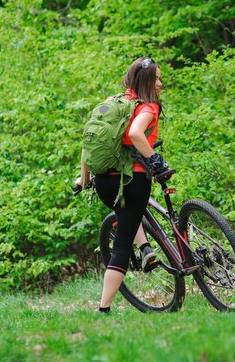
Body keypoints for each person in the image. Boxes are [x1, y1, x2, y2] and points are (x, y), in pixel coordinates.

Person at [75, 57, 170, 314]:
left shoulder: (114, 103)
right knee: (121, 244)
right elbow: (135, 134)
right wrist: (155, 162)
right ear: (146, 83)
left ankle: (146, 248)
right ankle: (103, 308)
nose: (160, 84)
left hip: (105, 182)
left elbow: (89, 143)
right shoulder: (148, 107)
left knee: (127, 214)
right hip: (132, 182)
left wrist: (84, 179)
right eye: (156, 79)